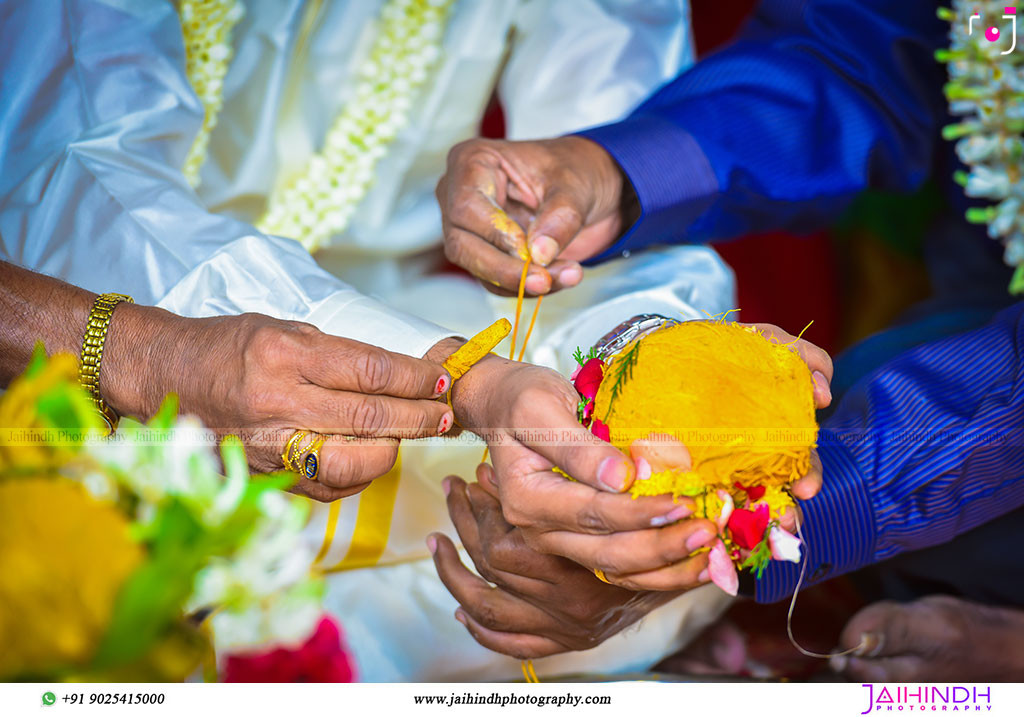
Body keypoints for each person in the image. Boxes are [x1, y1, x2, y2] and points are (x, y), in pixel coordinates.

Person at [0, 0, 748, 681]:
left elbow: (617, 215)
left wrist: (642, 391)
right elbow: (71, 176)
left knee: (652, 554)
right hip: (95, 320)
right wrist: (469, 380)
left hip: (405, 334)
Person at [435, 0, 1024, 682]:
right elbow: (864, 47)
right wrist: (615, 168)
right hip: (970, 302)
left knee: (868, 435)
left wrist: (748, 518)